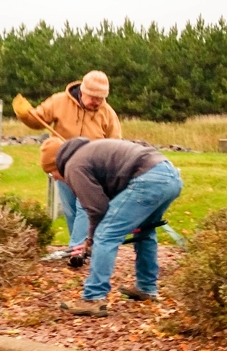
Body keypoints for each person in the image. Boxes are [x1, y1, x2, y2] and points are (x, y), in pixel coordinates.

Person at [41, 136, 183, 317]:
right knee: (144, 232)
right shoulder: (88, 153)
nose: (54, 179)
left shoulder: (73, 166)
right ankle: (147, 287)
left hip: (148, 180)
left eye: (51, 173)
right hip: (170, 175)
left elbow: (96, 209)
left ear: (56, 165)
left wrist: (91, 239)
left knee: (106, 235)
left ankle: (93, 298)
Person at [17, 71, 121, 256]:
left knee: (85, 208)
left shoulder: (108, 114)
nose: (96, 102)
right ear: (82, 90)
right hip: (62, 166)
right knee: (71, 209)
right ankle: (82, 249)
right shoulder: (59, 101)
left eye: (101, 98)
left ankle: (76, 250)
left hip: (92, 170)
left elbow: (116, 145)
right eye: (93, 97)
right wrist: (25, 115)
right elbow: (37, 119)